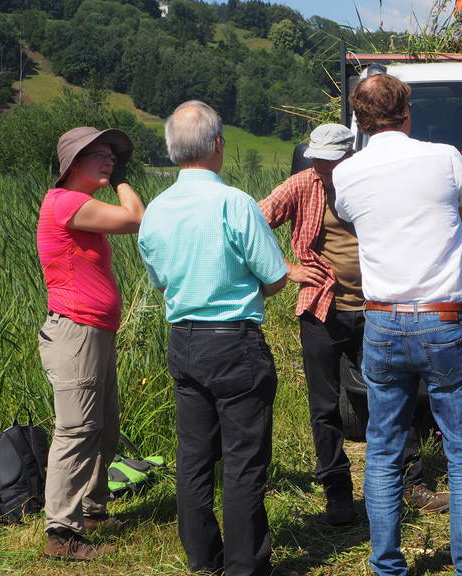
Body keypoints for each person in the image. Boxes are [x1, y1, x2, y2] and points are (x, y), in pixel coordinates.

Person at [332, 72, 462, 576]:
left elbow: (355, 218)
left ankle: (387, 566)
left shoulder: (347, 174)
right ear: (407, 113)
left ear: (360, 121)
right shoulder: (443, 158)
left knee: (382, 452)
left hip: (382, 320)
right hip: (443, 319)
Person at [258, 124, 450, 527]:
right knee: (324, 407)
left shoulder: (376, 181)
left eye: (331, 162)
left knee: (394, 396)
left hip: (378, 307)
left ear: (351, 156)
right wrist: (286, 269)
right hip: (322, 309)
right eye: (318, 160)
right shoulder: (302, 184)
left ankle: (410, 484)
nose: (323, 169)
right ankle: (337, 492)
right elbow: (250, 224)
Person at [137, 100, 290, 576]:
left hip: (183, 338)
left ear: (173, 149)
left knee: (194, 458)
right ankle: (245, 567)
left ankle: (204, 559)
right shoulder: (235, 203)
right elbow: (275, 276)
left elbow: (162, 282)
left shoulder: (155, 211)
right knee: (243, 462)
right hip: (234, 340)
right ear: (218, 145)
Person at [37, 126, 144, 560]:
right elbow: (136, 218)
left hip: (94, 332)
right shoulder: (66, 203)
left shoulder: (78, 205)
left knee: (104, 425)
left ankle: (92, 510)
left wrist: (113, 174)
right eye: (99, 154)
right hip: (75, 332)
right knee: (78, 429)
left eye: (112, 155)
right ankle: (61, 534)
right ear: (73, 164)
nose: (110, 160)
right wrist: (122, 181)